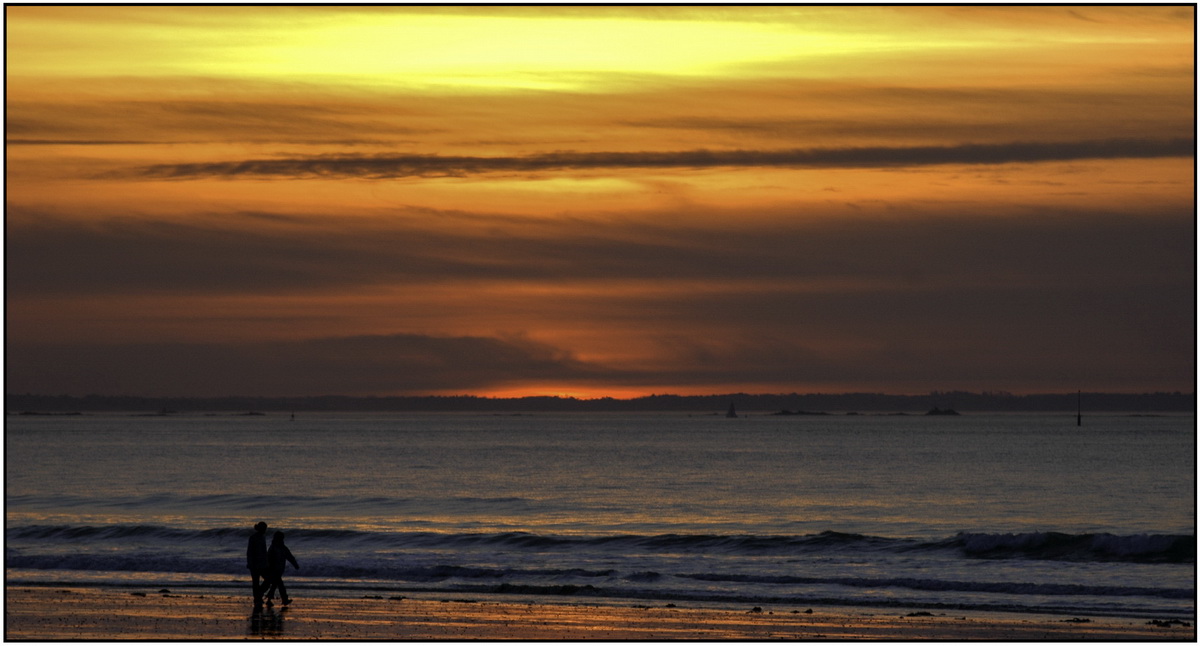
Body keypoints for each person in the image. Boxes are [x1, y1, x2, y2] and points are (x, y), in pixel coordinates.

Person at [263, 531, 300, 606]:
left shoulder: (280, 547)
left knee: (274, 585)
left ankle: (268, 599)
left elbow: (289, 556)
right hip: (274, 570)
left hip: (278, 570)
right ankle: (283, 599)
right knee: (279, 585)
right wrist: (295, 564)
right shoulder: (275, 548)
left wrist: (295, 564)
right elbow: (269, 559)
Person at [246, 521, 269, 608]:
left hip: (263, 564)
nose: (265, 530)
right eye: (264, 529)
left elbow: (264, 551)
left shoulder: (263, 537)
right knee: (256, 582)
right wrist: (250, 563)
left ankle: (259, 595)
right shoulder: (253, 538)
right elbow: (250, 552)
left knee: (267, 580)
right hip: (255, 564)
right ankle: (257, 598)